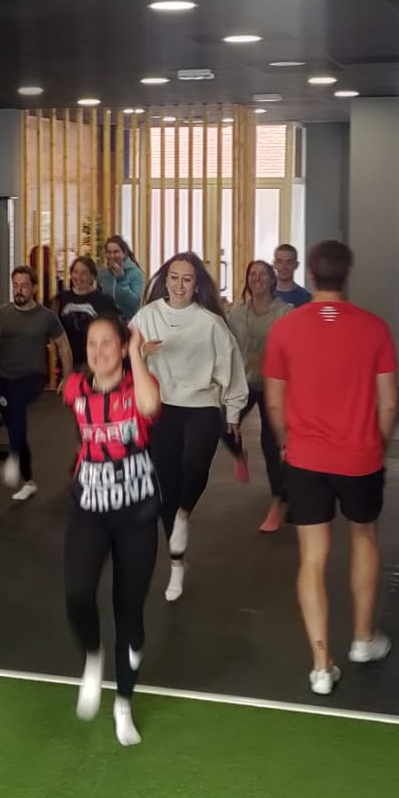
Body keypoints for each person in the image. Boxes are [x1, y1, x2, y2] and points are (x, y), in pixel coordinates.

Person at [261, 240, 399, 696]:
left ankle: (321, 666)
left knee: (312, 556)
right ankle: (363, 640)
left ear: (310, 274)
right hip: (361, 458)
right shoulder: (375, 329)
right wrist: (377, 445)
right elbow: (390, 403)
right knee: (364, 537)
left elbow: (274, 403)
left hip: (305, 459)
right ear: (347, 274)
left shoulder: (285, 329)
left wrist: (287, 443)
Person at [63, 314, 163, 747]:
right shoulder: (74, 388)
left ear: (122, 348)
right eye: (92, 344)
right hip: (90, 507)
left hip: (136, 513)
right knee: (77, 593)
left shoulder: (139, 387)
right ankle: (93, 655)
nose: (99, 351)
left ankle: (123, 702)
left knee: (129, 611)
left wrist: (136, 352)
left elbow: (150, 408)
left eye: (108, 343)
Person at [130, 253, 248, 602]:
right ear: (164, 280)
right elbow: (125, 357)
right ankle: (176, 564)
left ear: (197, 285)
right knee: (166, 486)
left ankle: (185, 513)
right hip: (162, 406)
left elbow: (232, 367)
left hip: (203, 405)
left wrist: (233, 413)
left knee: (195, 467)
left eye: (187, 279)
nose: (179, 285)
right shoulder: (147, 316)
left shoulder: (210, 323)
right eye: (174, 277)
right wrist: (141, 353)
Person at [0, 266, 71, 501]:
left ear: (34, 287)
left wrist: (67, 378)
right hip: (5, 377)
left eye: (24, 285)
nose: (19, 290)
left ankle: (13, 456)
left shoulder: (46, 316)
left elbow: (63, 346)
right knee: (15, 425)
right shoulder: (0, 313)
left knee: (16, 408)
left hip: (33, 377)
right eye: (16, 285)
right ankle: (29, 481)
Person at [225, 259, 293, 533]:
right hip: (244, 383)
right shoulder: (236, 314)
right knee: (221, 423)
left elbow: (293, 349)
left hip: (274, 385)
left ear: (272, 280)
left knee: (270, 443)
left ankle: (278, 501)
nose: (257, 278)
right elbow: (225, 345)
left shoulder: (285, 312)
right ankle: (239, 454)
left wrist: (267, 360)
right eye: (252, 274)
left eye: (263, 274)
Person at [52, 256, 120, 371]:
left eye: (83, 273)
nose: (78, 277)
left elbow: (115, 330)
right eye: (75, 272)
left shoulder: (105, 301)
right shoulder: (60, 299)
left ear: (92, 276)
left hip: (95, 361)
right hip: (66, 362)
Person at [101, 235, 146, 318]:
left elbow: (136, 305)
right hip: (108, 321)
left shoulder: (136, 273)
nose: (112, 255)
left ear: (124, 253)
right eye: (109, 252)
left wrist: (121, 279)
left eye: (116, 252)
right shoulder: (103, 274)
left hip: (129, 321)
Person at [271, 243, 313, 307]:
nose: (284, 266)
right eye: (280, 261)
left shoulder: (306, 298)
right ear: (274, 264)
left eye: (289, 262)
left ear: (296, 265)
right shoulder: (265, 295)